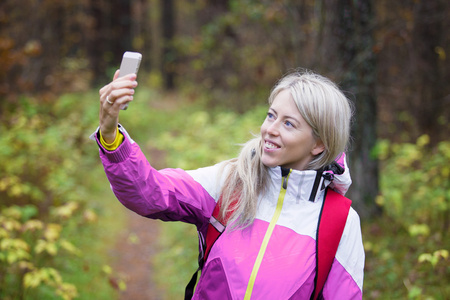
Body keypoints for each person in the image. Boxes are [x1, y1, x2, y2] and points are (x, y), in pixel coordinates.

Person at [92, 69, 365, 299]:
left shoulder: (340, 222)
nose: (270, 129)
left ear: (319, 144)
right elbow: (149, 193)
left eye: (289, 124)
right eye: (271, 115)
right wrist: (110, 134)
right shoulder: (230, 182)